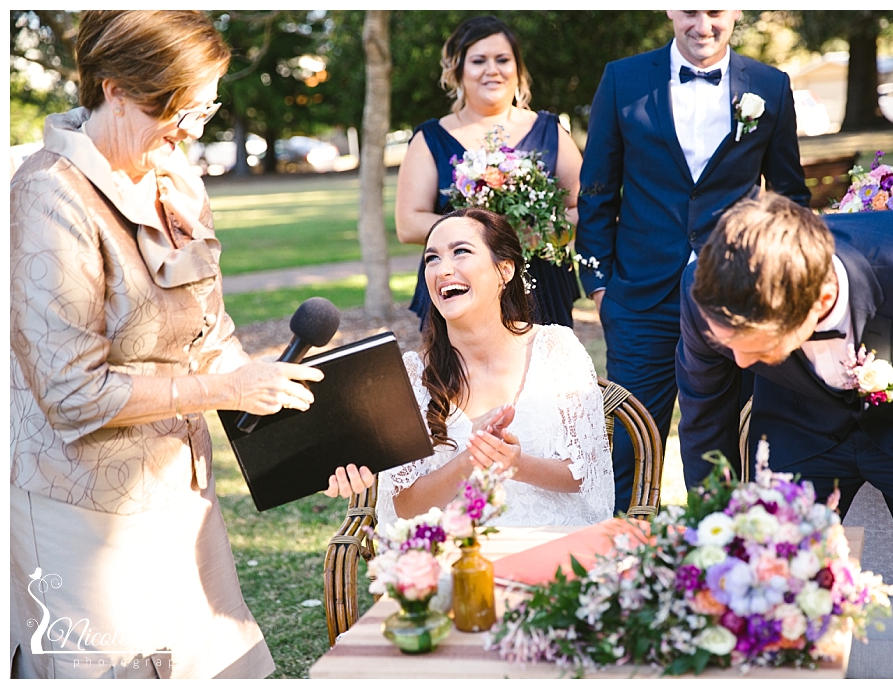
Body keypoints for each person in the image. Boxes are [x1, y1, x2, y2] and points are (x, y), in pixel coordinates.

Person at [9, 11, 327, 679]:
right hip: (83, 509)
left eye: (204, 109)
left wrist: (288, 404)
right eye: (177, 110)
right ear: (115, 90)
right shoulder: (48, 194)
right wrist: (226, 389)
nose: (191, 129)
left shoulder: (175, 177)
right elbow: (71, 393)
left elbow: (209, 329)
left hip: (179, 487)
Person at [675, 191, 893, 678]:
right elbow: (705, 413)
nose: (741, 362)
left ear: (821, 301)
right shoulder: (706, 293)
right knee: (769, 608)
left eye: (756, 347)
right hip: (799, 426)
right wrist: (715, 524)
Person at [575, 10, 811, 513]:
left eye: (715, 11)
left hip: (736, 293)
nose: (702, 24)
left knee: (728, 445)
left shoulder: (770, 85)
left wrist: (783, 285)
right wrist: (600, 286)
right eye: (689, 10)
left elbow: (790, 195)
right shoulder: (623, 79)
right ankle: (625, 551)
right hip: (641, 296)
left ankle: (724, 545)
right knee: (630, 444)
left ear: (737, 11)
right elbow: (596, 189)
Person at [329, 208, 614, 532]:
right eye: (432, 258)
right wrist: (470, 458)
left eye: (461, 252)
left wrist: (516, 464)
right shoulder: (412, 375)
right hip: (456, 550)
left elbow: (587, 475)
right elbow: (406, 508)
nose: (443, 269)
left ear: (504, 270)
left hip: (552, 544)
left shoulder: (556, 349)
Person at [396, 15, 584, 330]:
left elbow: (584, 206)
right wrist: (482, 235)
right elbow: (408, 224)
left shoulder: (550, 131)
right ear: (457, 70)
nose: (492, 70)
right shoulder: (430, 138)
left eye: (502, 59)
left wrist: (538, 232)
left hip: (541, 282)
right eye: (478, 60)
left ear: (518, 68)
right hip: (457, 283)